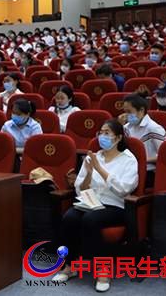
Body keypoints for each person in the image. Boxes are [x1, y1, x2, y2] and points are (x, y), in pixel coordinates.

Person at [52, 119, 138, 293]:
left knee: (91, 220)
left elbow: (124, 189)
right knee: (69, 217)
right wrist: (89, 173)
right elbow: (80, 189)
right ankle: (70, 266)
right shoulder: (93, 157)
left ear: (118, 137)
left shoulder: (128, 159)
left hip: (115, 206)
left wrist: (99, 169)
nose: (102, 136)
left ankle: (103, 270)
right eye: (100, 133)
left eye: (107, 133)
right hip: (90, 202)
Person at [120, 94, 166, 185]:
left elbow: (164, 155)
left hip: (148, 170)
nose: (126, 115)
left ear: (141, 110)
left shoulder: (154, 128)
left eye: (129, 112)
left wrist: (142, 160)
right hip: (130, 168)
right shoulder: (126, 127)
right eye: (125, 112)